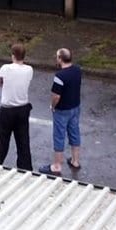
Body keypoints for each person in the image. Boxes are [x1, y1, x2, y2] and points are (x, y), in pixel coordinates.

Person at [0, 42, 33, 171]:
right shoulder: (29, 69)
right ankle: (26, 168)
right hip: (23, 109)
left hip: (7, 110)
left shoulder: (6, 68)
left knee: (2, 142)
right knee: (23, 142)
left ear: (13, 55)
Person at [40, 48, 81, 176]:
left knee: (59, 136)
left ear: (60, 59)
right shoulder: (77, 70)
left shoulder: (59, 76)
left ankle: (57, 165)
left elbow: (56, 96)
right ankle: (75, 161)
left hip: (62, 110)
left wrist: (52, 106)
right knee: (74, 133)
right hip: (75, 107)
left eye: (57, 56)